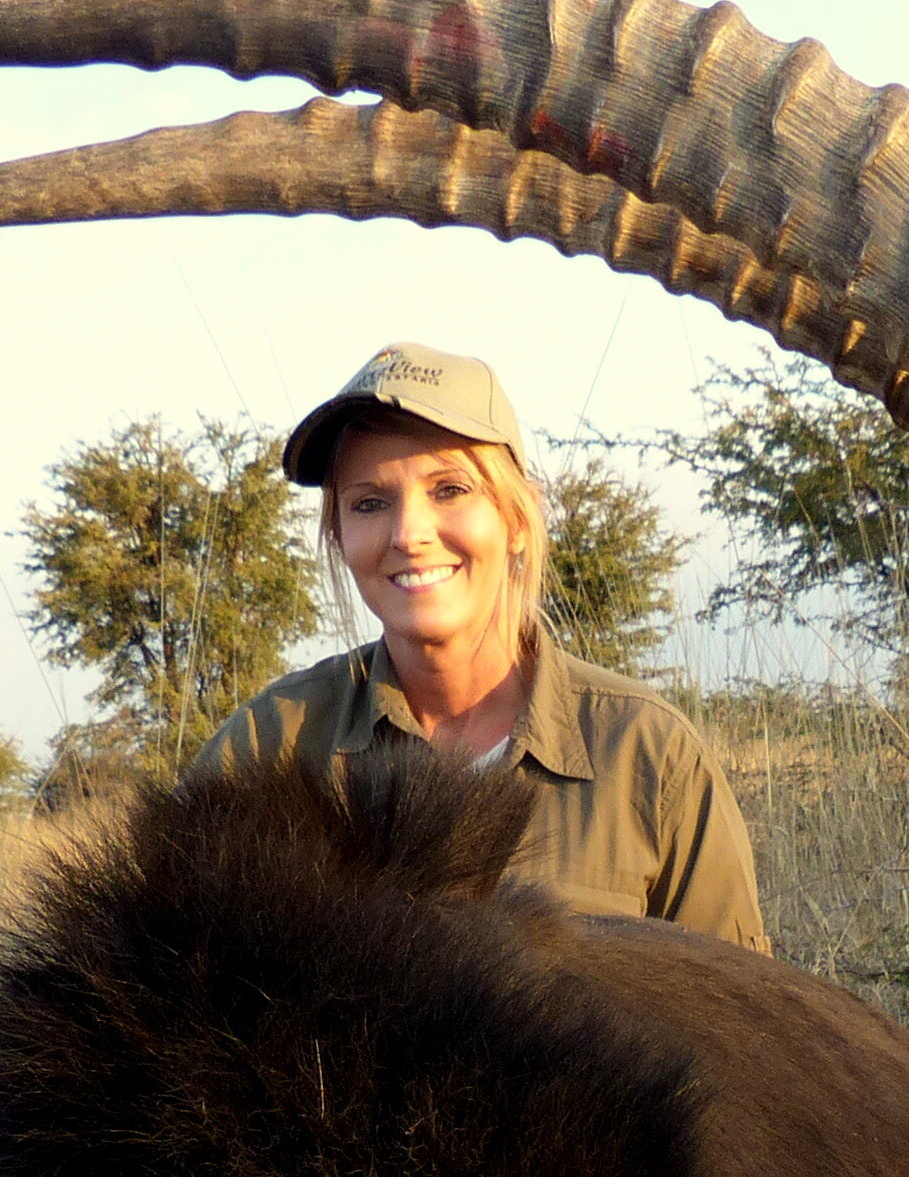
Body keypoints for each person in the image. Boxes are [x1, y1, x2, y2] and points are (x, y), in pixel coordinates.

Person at [190, 342, 767, 951]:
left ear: (517, 520)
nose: (409, 534)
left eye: (450, 490)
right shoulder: (268, 746)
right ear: (338, 535)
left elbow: (745, 1015)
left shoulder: (649, 755)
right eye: (369, 503)